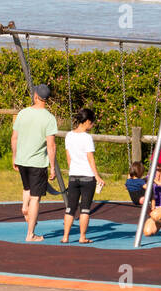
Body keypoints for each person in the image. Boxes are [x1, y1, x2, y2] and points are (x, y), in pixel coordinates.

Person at [10, 83, 59, 242]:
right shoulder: (49, 118)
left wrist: (14, 157)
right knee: (36, 198)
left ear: (36, 96)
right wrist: (53, 167)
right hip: (38, 163)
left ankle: (25, 207)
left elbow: (14, 138)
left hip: (22, 159)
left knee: (27, 188)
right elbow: (51, 145)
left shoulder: (23, 113)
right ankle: (30, 234)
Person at [62, 107, 104, 243]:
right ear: (86, 122)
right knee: (85, 208)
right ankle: (82, 237)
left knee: (70, 208)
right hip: (87, 177)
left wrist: (72, 169)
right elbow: (90, 159)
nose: (92, 125)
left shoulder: (69, 135)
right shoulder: (87, 138)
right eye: (92, 123)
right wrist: (97, 176)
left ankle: (65, 236)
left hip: (73, 176)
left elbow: (68, 156)